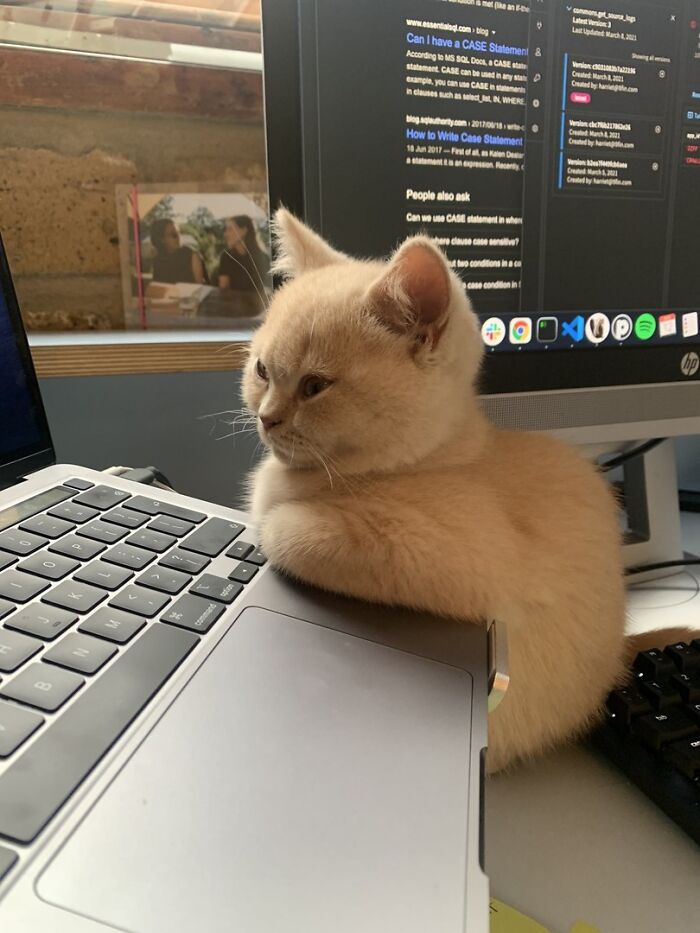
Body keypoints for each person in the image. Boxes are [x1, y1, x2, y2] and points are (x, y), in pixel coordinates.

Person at [217, 216, 269, 295]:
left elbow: (270, 288)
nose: (226, 234)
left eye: (230, 229)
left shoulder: (263, 258)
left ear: (244, 231)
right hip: (232, 305)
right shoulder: (226, 257)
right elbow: (223, 289)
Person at [149, 219, 208, 285]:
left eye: (178, 233)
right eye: (173, 234)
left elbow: (200, 287)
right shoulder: (158, 260)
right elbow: (158, 287)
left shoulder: (191, 255)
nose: (178, 237)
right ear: (161, 239)